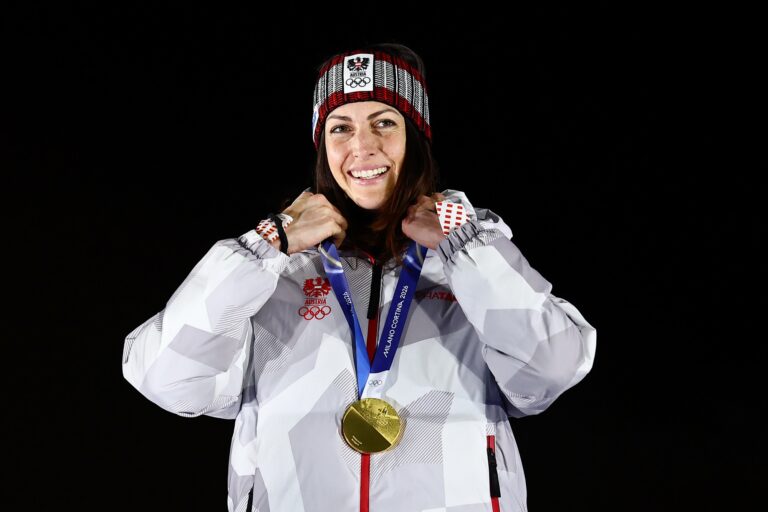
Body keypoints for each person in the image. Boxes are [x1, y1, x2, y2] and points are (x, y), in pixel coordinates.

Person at [122, 42, 597, 512]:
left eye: (384, 123)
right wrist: (267, 243)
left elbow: (552, 366)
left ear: (415, 138)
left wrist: (464, 245)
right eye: (341, 128)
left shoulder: (471, 263)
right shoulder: (276, 273)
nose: (362, 146)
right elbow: (168, 379)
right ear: (322, 147)